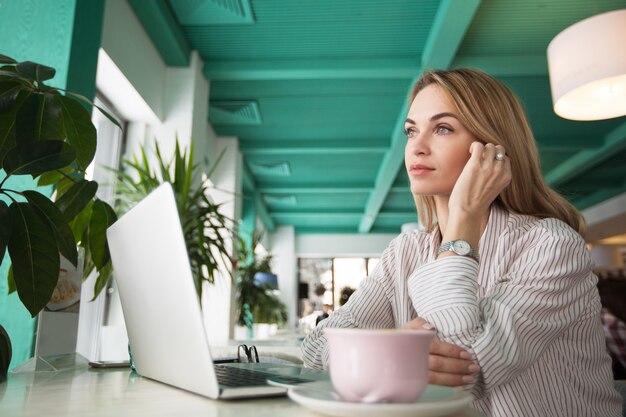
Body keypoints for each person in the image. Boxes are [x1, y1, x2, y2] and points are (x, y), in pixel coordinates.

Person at [301, 68, 622, 417]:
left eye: (442, 128)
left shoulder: (552, 245)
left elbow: (468, 371)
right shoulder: (404, 251)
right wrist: (387, 352)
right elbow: (316, 347)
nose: (417, 147)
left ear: (492, 149)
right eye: (411, 131)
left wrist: (464, 216)